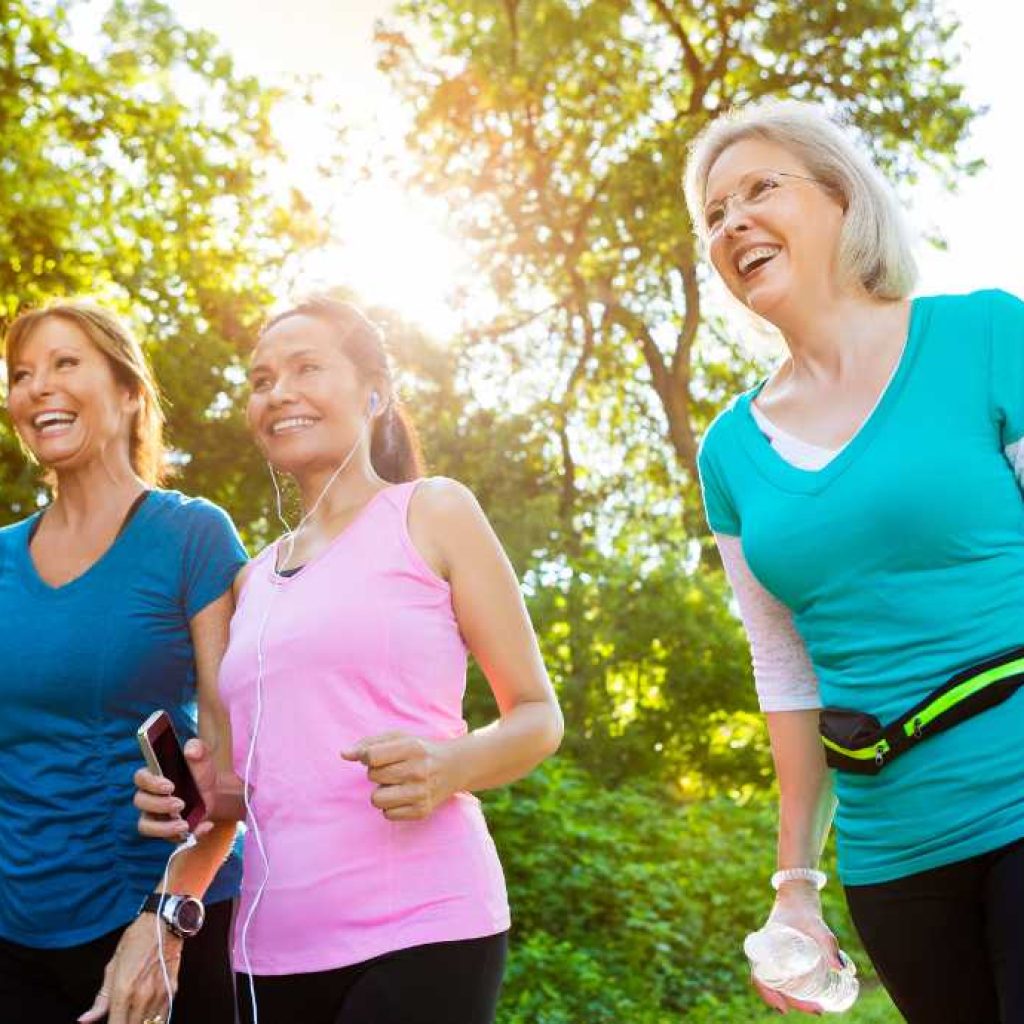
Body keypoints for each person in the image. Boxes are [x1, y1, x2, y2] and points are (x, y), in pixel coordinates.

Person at [682, 99, 1024, 1023]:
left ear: (840, 198)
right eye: (715, 214)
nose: (733, 222)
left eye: (760, 189)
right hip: (895, 859)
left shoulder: (989, 335)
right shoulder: (729, 454)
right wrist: (795, 881)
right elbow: (787, 670)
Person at [135, 296, 564, 1024]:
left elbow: (537, 716)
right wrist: (199, 793)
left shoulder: (434, 512)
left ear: (376, 393)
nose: (278, 393)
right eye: (261, 379)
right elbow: (262, 790)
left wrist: (450, 765)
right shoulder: (253, 579)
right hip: (269, 950)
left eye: (306, 368)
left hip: (425, 923)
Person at [0, 300, 246, 1024]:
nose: (37, 386)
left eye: (65, 363)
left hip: (158, 925)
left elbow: (233, 771)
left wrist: (167, 917)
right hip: (14, 940)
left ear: (130, 391)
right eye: (20, 374)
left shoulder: (193, 535)